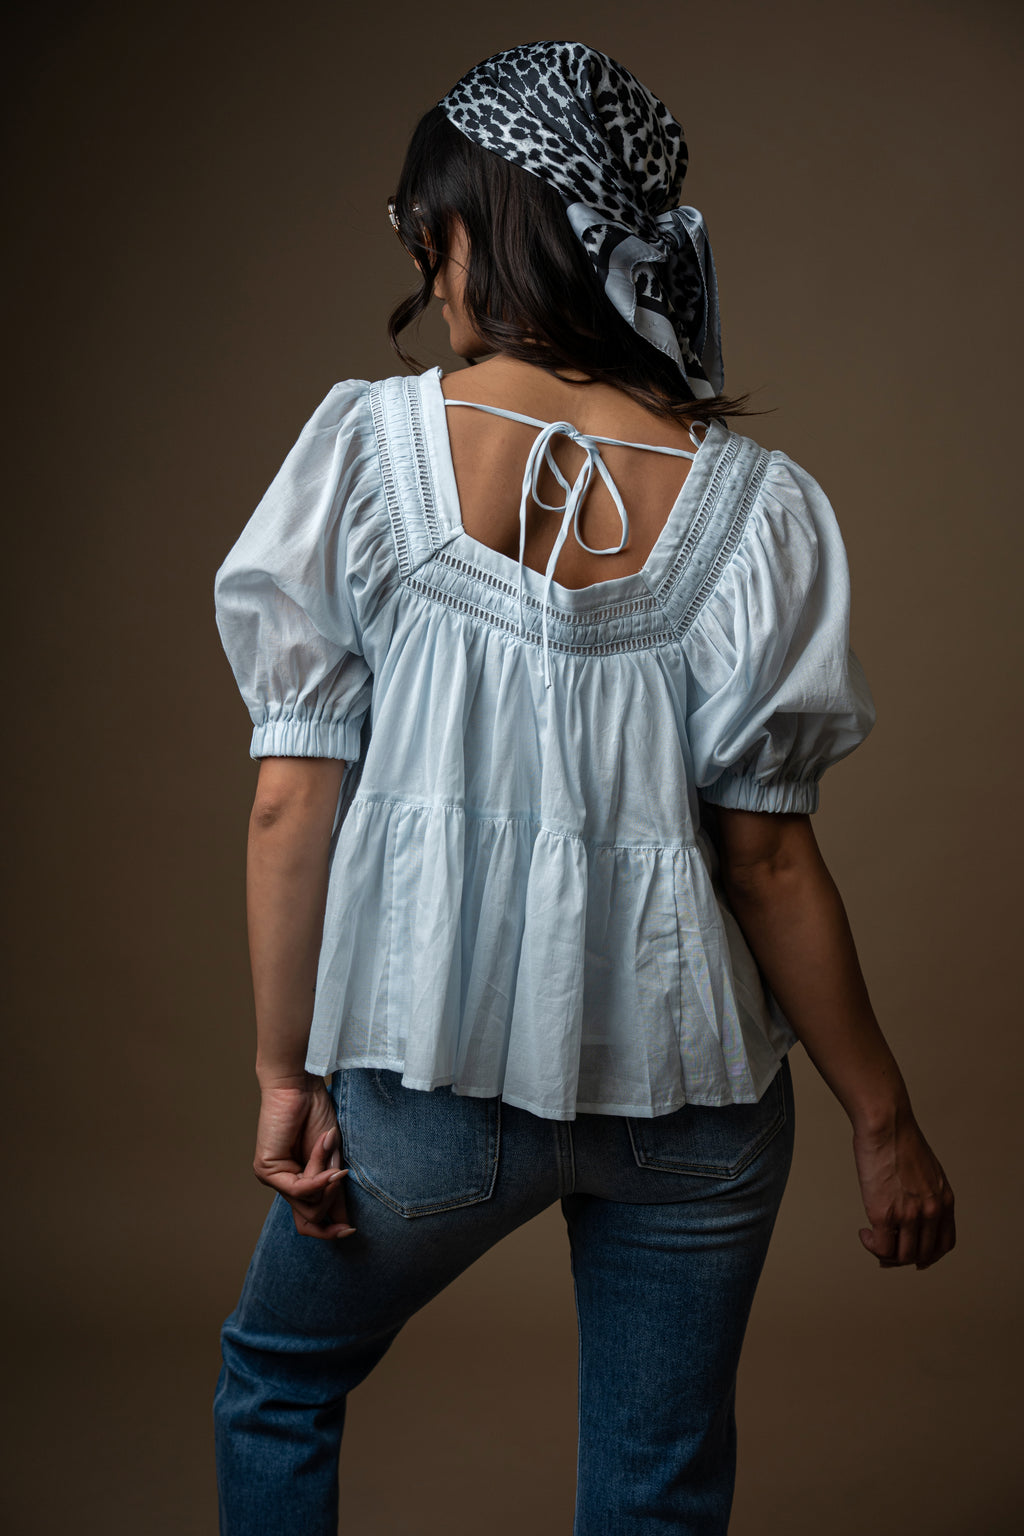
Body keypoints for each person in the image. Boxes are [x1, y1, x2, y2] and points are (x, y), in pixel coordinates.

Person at [212, 40, 956, 1536]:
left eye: (431, 233)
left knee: (279, 1381)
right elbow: (770, 864)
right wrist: (885, 1118)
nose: (427, 269)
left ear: (481, 226)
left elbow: (295, 798)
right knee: (657, 1487)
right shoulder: (761, 507)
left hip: (432, 1091)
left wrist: (288, 1078)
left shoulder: (367, 450)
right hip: (701, 1103)